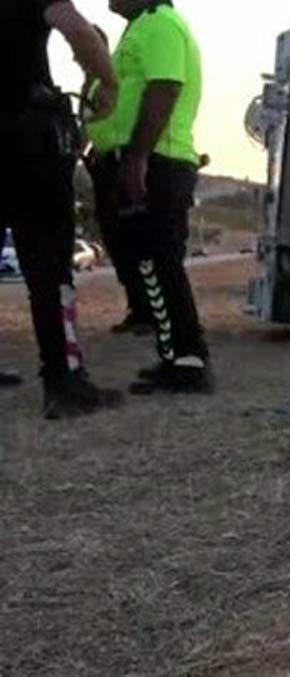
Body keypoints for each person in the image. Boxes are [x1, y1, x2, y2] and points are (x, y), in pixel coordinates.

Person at [0, 0, 125, 419]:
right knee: (50, 266)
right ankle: (63, 379)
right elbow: (81, 32)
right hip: (27, 141)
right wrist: (107, 83)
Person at [88, 0, 213, 394]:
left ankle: (189, 360)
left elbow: (165, 87)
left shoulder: (161, 24)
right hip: (140, 162)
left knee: (161, 261)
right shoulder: (140, 27)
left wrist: (138, 156)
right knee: (148, 263)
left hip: (158, 164)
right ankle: (174, 355)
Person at [81, 25, 155, 337]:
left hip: (122, 160)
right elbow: (86, 122)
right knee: (115, 240)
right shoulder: (91, 82)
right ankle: (137, 308)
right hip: (100, 162)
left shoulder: (116, 74)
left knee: (136, 239)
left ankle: (150, 311)